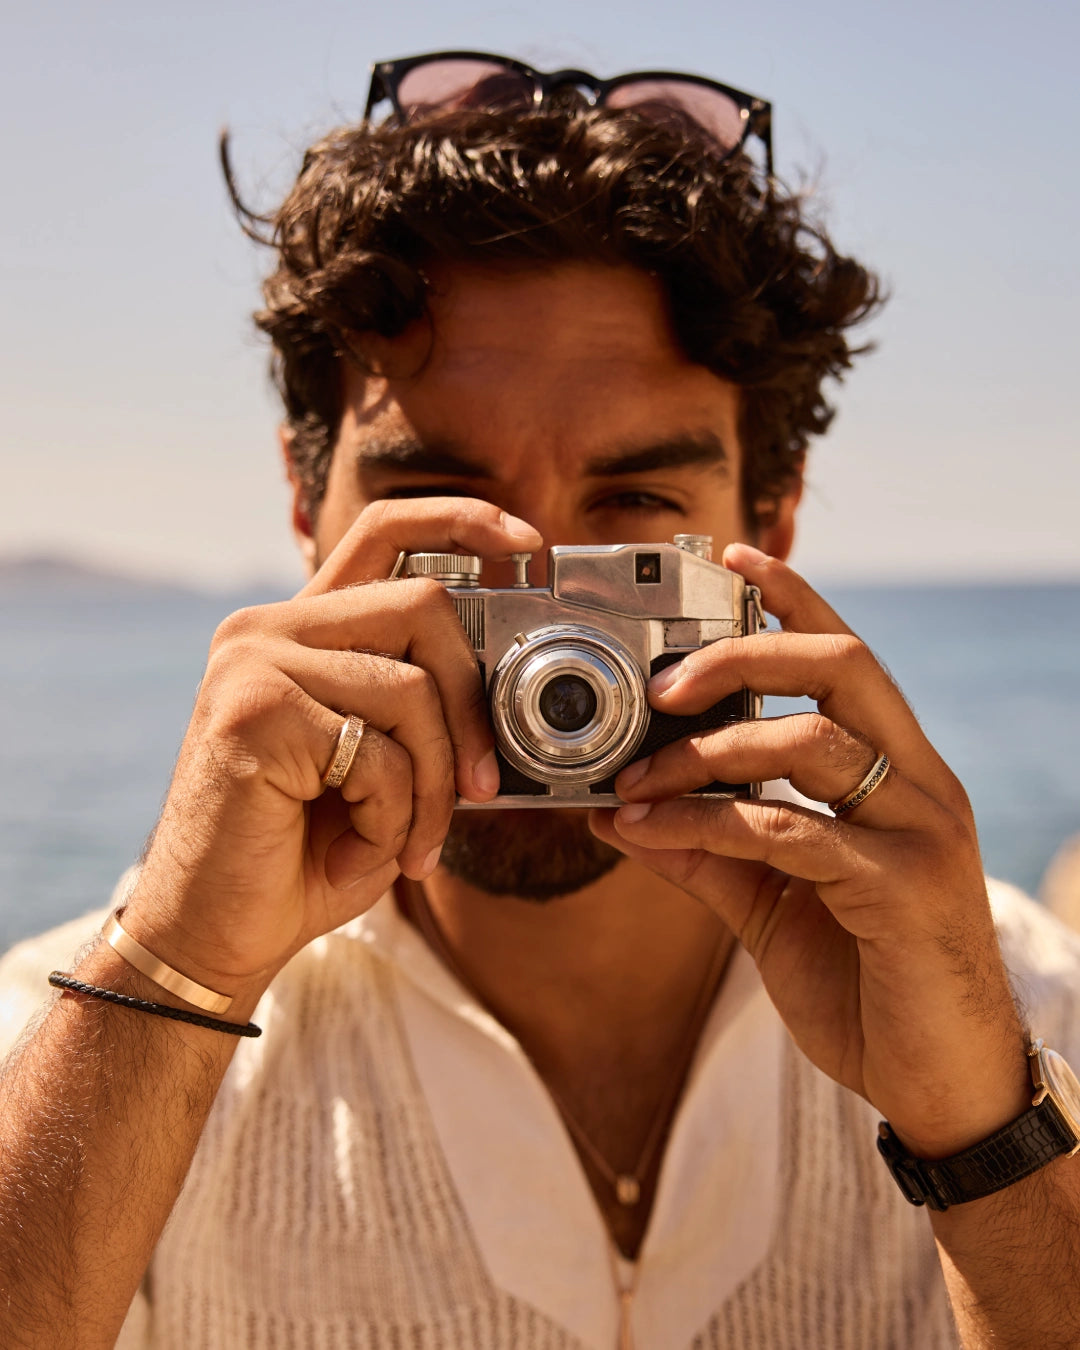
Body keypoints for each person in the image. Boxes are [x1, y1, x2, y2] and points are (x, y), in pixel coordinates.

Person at [2, 50, 1079, 1350]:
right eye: (438, 509)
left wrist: (986, 1135)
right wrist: (172, 974)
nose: (541, 611)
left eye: (634, 510)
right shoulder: (55, 1052)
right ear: (305, 508)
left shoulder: (1031, 1017)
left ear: (772, 523)